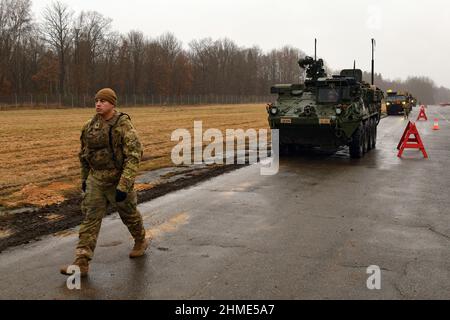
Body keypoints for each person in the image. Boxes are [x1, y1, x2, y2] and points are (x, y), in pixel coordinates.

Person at [61, 88, 148, 277]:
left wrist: (124, 185)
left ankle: (140, 240)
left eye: (103, 101)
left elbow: (134, 156)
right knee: (90, 220)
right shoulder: (89, 126)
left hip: (118, 179)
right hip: (96, 179)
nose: (98, 104)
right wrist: (85, 179)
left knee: (129, 215)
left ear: (112, 104)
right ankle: (81, 263)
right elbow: (84, 155)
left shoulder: (123, 125)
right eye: (97, 100)